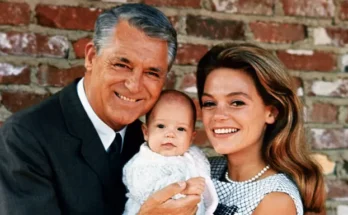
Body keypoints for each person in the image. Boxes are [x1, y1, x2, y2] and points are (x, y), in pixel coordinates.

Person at [0, 4, 200, 215]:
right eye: (122, 65)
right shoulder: (25, 138)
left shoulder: (154, 143)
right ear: (91, 57)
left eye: (152, 73)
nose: (134, 85)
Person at [196, 43, 326, 215]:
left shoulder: (275, 200)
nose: (218, 115)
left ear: (271, 112)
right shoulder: (202, 169)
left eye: (237, 102)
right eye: (210, 103)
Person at [122, 90, 218, 215]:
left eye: (180, 129)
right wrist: (185, 188)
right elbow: (148, 194)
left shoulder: (193, 156)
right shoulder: (143, 163)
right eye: (161, 126)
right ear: (146, 132)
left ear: (191, 138)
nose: (170, 134)